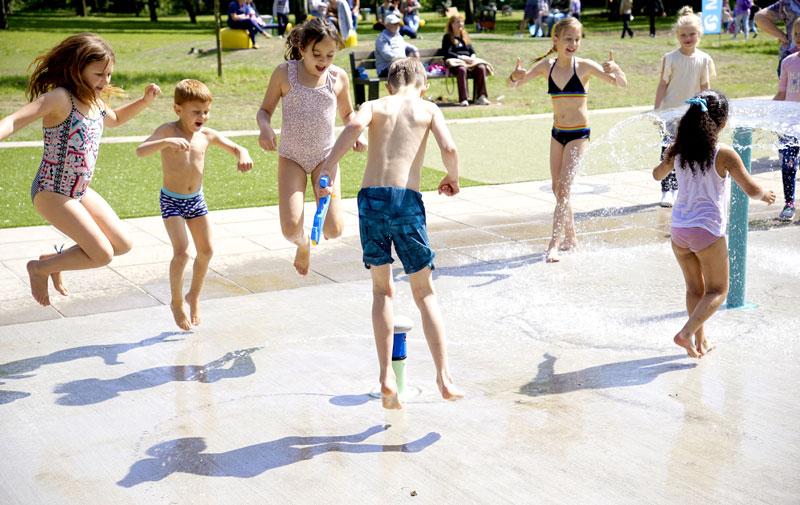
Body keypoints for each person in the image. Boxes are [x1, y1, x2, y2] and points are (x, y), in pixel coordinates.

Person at [316, 58, 465, 409]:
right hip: (406, 202)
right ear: (423, 84)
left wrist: (328, 167)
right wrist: (452, 177)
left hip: (371, 201)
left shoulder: (374, 105)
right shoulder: (428, 108)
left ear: (388, 85)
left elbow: (352, 126)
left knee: (382, 291)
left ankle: (385, 377)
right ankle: (444, 377)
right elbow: (449, 149)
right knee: (424, 293)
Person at [0, 33, 161, 306]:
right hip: (52, 190)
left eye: (109, 74)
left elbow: (117, 119)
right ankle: (38, 269)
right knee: (101, 254)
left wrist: (144, 102)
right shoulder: (60, 98)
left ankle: (53, 261)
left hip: (80, 190)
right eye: (99, 74)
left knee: (122, 244)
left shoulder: (96, 101)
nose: (105, 81)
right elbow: (13, 121)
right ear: (77, 69)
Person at [652, 90, 775, 358]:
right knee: (719, 290)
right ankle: (685, 334)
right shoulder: (724, 153)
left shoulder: (678, 148)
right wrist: (766, 195)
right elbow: (752, 190)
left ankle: (700, 342)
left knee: (695, 289)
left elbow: (657, 175)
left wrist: (669, 156)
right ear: (722, 124)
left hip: (679, 231)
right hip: (706, 232)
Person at [136, 80, 253, 331]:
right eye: (196, 111)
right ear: (178, 109)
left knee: (207, 250)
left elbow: (236, 147)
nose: (203, 117)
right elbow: (141, 150)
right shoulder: (167, 131)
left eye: (206, 111)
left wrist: (243, 154)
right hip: (172, 201)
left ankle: (194, 296)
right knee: (182, 252)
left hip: (196, 200)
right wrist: (165, 143)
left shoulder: (206, 136)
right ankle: (177, 301)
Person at [508, 17, 627, 263]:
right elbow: (513, 86)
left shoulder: (584, 66)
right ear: (556, 40)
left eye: (577, 39)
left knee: (564, 188)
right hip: (557, 133)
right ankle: (572, 239)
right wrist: (513, 75)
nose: (573, 43)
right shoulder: (546, 67)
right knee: (557, 188)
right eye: (568, 39)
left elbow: (621, 85)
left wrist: (617, 70)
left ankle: (554, 243)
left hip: (579, 134)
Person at [256, 18, 366, 276]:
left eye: (330, 55)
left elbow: (348, 115)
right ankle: (303, 244)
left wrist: (357, 133)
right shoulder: (285, 73)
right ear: (302, 47)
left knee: (334, 230)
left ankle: (315, 236)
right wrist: (265, 127)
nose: (323, 61)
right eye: (317, 54)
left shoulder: (338, 77)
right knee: (291, 230)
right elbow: (264, 111)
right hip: (291, 158)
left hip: (325, 159)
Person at [653, 6, 716, 207]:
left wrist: (708, 113)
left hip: (692, 114)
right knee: (668, 151)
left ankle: (683, 189)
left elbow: (706, 87)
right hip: (670, 114)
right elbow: (662, 85)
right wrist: (657, 111)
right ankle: (667, 190)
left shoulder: (704, 59)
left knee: (690, 153)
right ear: (677, 35)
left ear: (699, 34)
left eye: (692, 34)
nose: (687, 38)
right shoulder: (670, 58)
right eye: (683, 35)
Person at [773, 21, 800, 221]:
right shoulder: (788, 62)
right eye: (796, 33)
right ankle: (789, 203)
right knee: (788, 164)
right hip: (790, 124)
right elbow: (782, 93)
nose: (798, 37)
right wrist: (765, 115)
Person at [442, 14, 491, 106]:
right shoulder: (447, 37)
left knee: (481, 67)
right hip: (456, 63)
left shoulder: (465, 36)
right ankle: (463, 99)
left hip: (469, 63)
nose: (460, 24)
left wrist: (472, 57)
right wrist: (462, 58)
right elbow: (447, 53)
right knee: (462, 69)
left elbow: (472, 51)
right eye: (457, 22)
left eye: (461, 22)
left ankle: (482, 96)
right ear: (452, 24)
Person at [375, 13, 420, 78]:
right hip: (386, 69)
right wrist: (405, 60)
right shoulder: (382, 38)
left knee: (416, 72)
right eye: (394, 24)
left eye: (398, 24)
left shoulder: (398, 36)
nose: (397, 26)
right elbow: (388, 56)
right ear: (387, 25)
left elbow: (406, 45)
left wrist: (415, 50)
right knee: (408, 72)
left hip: (400, 66)